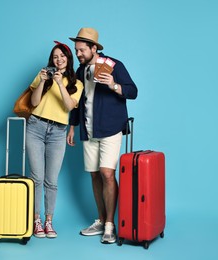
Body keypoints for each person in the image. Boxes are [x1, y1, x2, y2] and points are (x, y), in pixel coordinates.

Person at [67, 28, 138, 244]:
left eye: (81, 50)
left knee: (108, 173)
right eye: (76, 50)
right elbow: (76, 101)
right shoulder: (80, 71)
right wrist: (72, 126)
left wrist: (113, 85)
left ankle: (110, 224)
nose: (78, 54)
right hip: (88, 130)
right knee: (94, 174)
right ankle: (100, 220)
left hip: (110, 128)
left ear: (94, 48)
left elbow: (133, 91)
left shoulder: (114, 65)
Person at [26, 41, 83, 238]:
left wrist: (60, 83)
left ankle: (49, 222)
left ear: (68, 58)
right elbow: (33, 103)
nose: (58, 60)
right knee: (37, 178)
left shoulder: (77, 84)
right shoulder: (44, 75)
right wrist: (43, 81)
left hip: (58, 132)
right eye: (55, 57)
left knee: (51, 181)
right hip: (35, 127)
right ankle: (36, 221)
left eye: (62, 56)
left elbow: (68, 107)